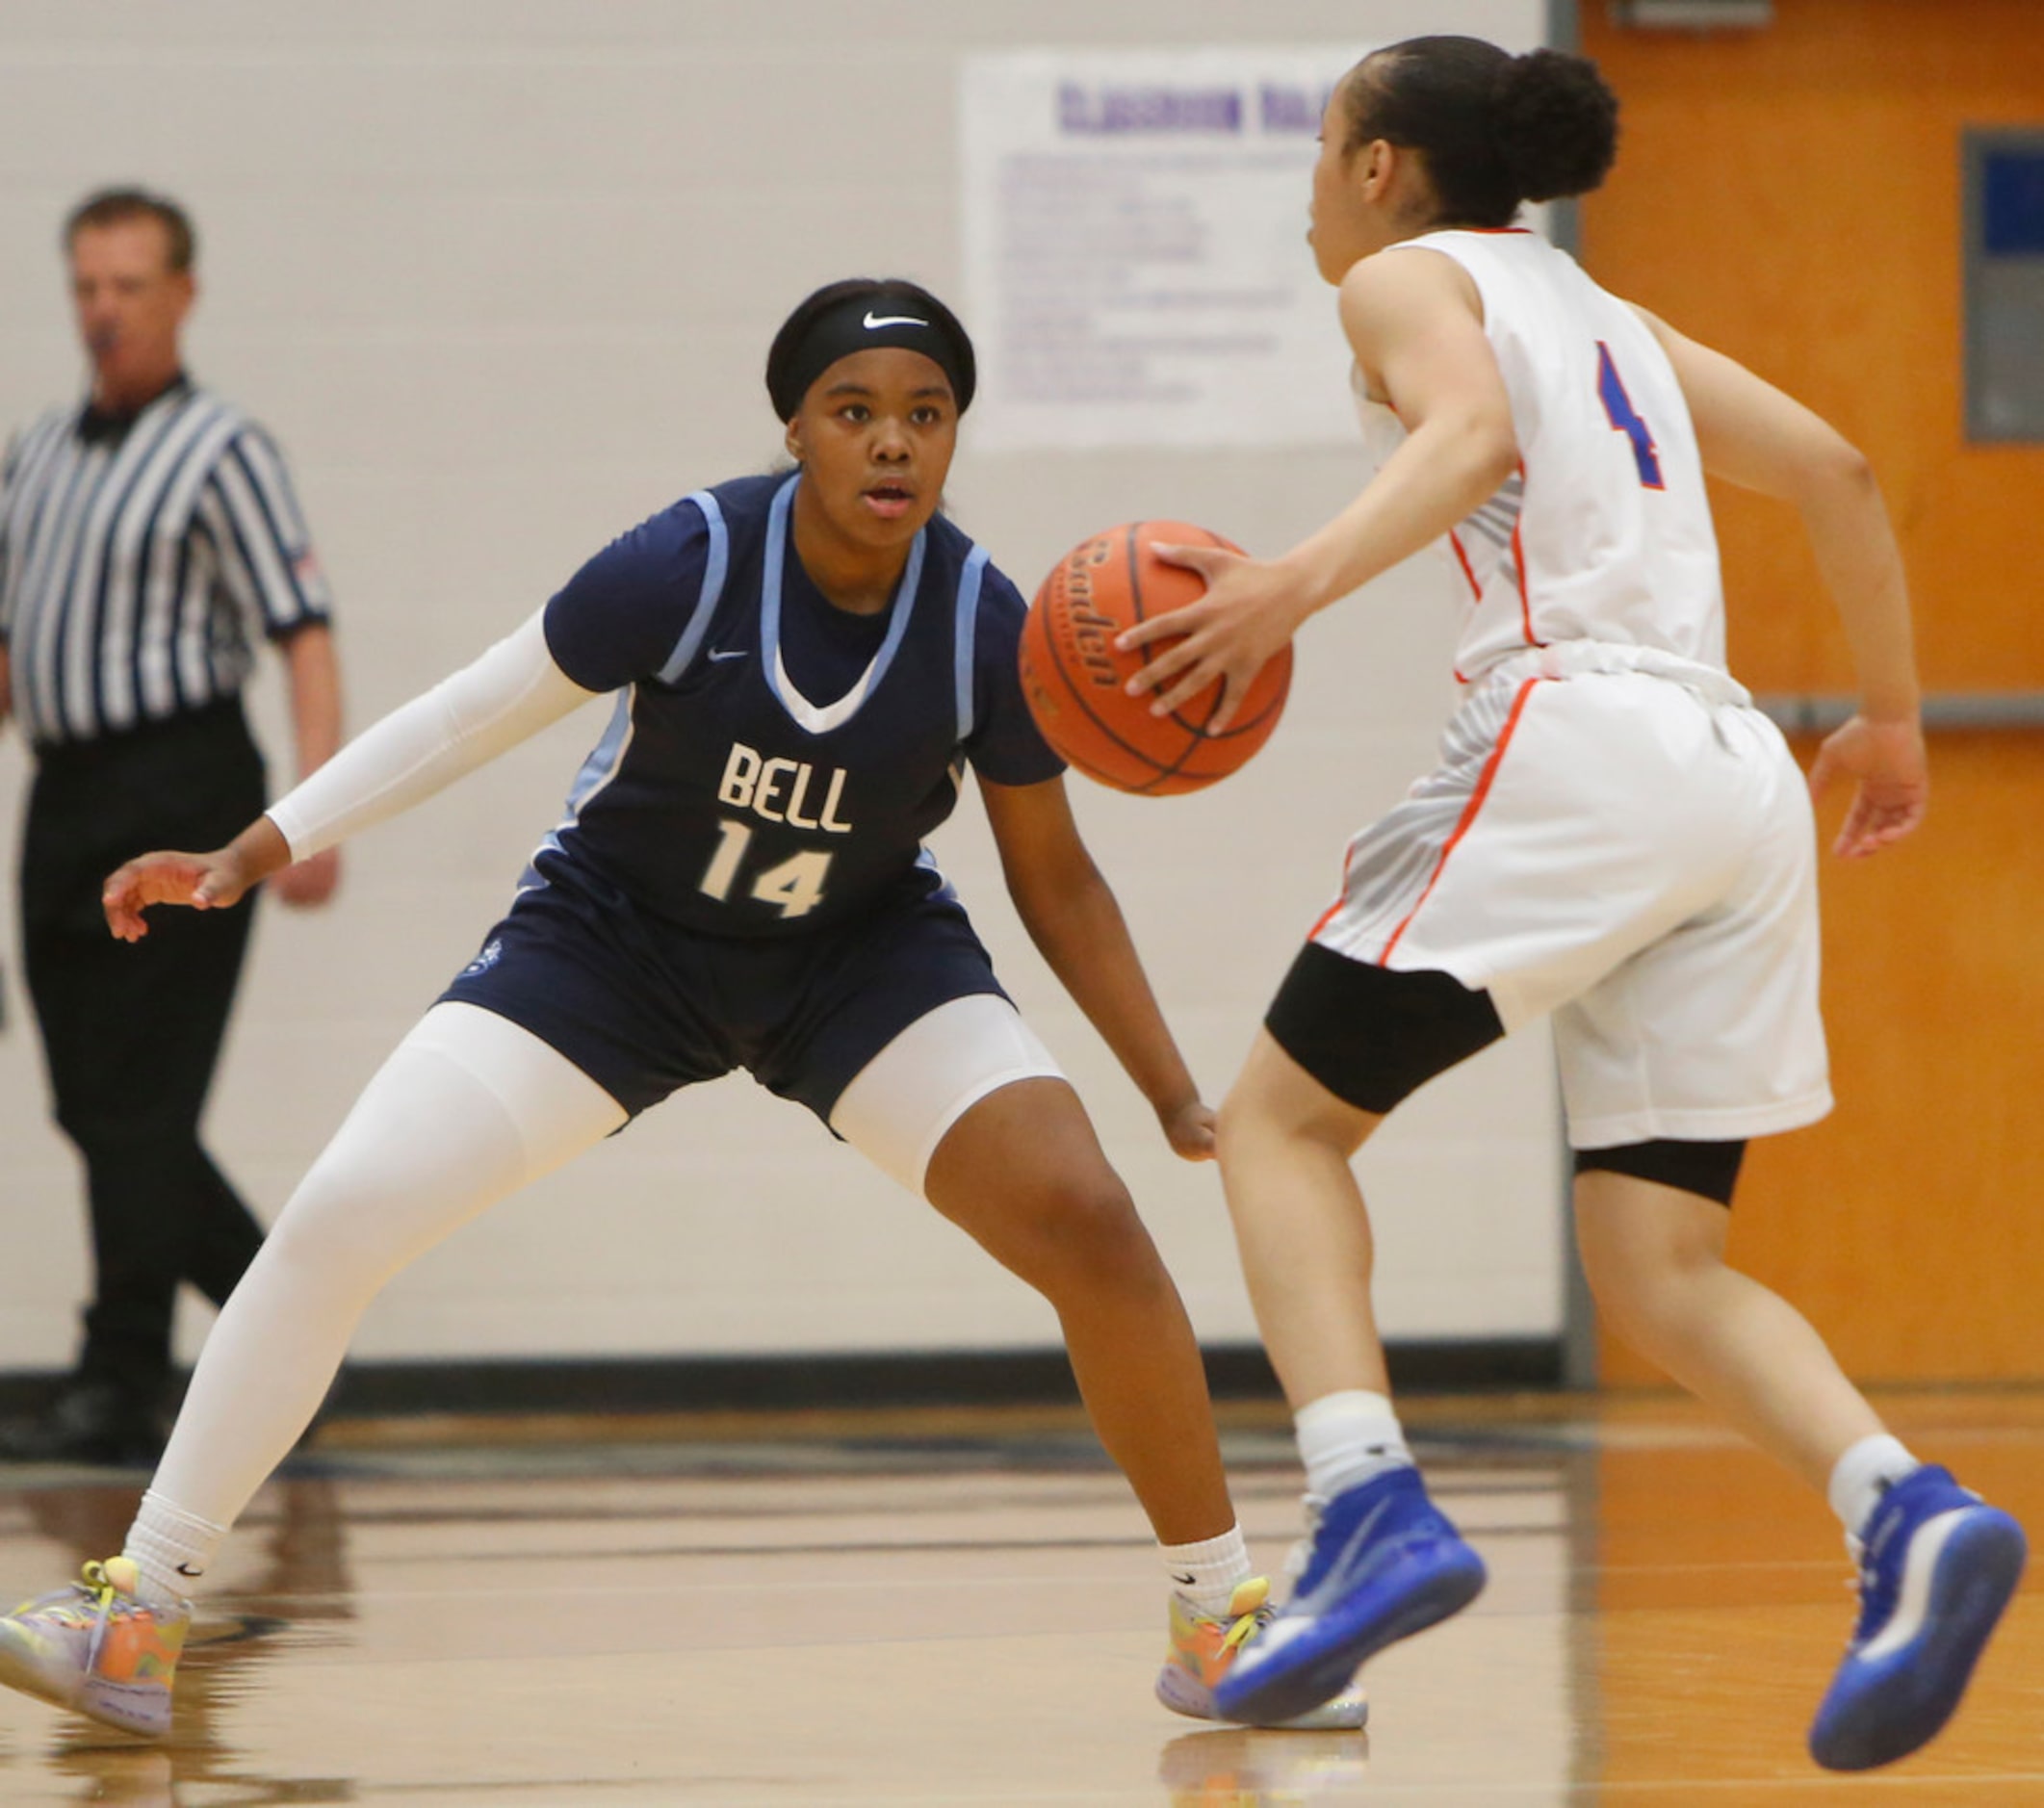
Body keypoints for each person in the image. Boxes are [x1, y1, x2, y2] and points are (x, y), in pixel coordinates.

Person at [0, 277, 1364, 1740]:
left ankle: (1221, 1621)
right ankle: (138, 1609)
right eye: (856, 412)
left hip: (856, 955)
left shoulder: (984, 618)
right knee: (348, 1204)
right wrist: (255, 847)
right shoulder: (692, 559)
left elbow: (1060, 879)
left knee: (1091, 1222)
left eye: (926, 415)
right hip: (613, 945)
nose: (893, 444)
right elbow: (469, 710)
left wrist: (1165, 1085)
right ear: (795, 427)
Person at [1115, 36, 2028, 1773]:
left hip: (1575, 725)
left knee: (1276, 1129)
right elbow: (1836, 468)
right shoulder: (1613, 316)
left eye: (1323, 144)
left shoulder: (1401, 277)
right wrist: (1892, 723)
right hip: (1734, 769)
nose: (1314, 181)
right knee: (1662, 1263)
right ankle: (1901, 1507)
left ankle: (1368, 1501)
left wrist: (1288, 586)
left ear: (1382, 168)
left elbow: (1465, 437)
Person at [0, 188, 343, 1467]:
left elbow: (303, 633)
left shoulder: (223, 450)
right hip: (64, 791)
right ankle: (285, 1308)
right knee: (93, 1107)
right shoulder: (32, 452)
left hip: (183, 783)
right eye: (87, 285)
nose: (104, 311)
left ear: (181, 296)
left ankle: (123, 1365)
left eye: (129, 287)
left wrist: (308, 816)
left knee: (142, 1103)